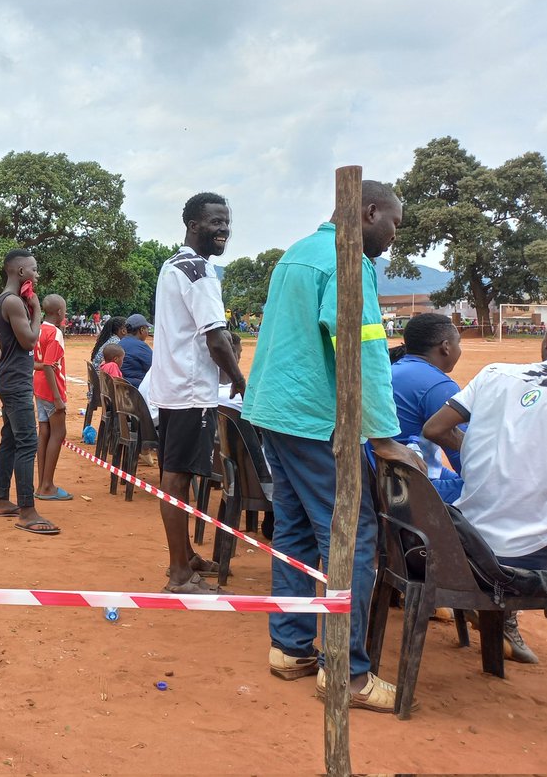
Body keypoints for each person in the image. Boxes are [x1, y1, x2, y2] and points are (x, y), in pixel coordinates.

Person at [242, 179, 408, 713]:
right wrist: (383, 438)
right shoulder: (345, 260)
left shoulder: (297, 253)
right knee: (353, 534)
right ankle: (348, 671)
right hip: (313, 419)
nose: (393, 235)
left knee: (293, 530)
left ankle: (290, 649)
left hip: (277, 412)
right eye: (394, 223)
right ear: (370, 211)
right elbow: (362, 354)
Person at [424, 306, 547, 683]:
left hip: (463, 538)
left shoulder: (493, 374)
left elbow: (436, 429)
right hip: (518, 554)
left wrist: (484, 461)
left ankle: (506, 615)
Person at [142, 192, 244, 594]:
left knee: (175, 477)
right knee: (177, 481)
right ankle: (179, 573)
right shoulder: (200, 272)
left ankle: (185, 557)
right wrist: (237, 378)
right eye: (216, 222)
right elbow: (217, 338)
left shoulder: (173, 265)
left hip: (170, 388)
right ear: (193, 225)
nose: (224, 230)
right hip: (190, 391)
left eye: (227, 223)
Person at [0, 249, 58, 535]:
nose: (37, 274)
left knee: (11, 441)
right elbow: (29, 341)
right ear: (21, 272)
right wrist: (36, 310)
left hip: (10, 378)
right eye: (34, 270)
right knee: (27, 443)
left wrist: (2, 358)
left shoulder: (3, 299)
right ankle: (27, 510)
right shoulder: (13, 302)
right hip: (16, 382)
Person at [389, 313, 464, 504]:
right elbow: (464, 454)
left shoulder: (393, 368)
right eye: (459, 343)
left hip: (382, 474)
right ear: (446, 347)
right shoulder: (439, 385)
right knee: (496, 491)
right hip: (405, 489)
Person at [34, 294, 71, 501]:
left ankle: (42, 484)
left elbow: (36, 361)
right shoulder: (55, 333)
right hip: (51, 388)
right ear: (59, 312)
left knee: (45, 431)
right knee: (59, 432)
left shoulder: (37, 329)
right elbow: (49, 364)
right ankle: (47, 486)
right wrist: (57, 398)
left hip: (38, 386)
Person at [118, 314, 154, 388]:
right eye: (147, 329)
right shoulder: (141, 346)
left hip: (124, 386)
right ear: (142, 330)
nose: (148, 332)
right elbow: (154, 367)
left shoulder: (121, 342)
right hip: (136, 389)